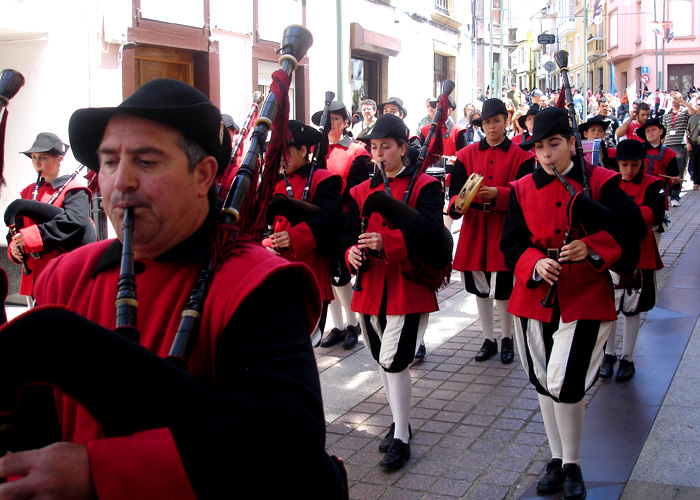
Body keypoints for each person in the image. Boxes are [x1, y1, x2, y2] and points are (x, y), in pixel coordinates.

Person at [0, 79, 346, 499]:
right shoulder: (65, 275)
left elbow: (284, 437)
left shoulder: (258, 282)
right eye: (109, 162)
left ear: (203, 175)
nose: (120, 181)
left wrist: (100, 472)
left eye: (146, 162)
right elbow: (35, 423)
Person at [501, 107, 646, 500]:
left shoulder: (601, 180)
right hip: (534, 296)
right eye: (540, 148)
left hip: (584, 294)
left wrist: (593, 246)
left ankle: (573, 463)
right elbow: (512, 245)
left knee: (563, 380)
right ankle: (556, 457)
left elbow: (633, 229)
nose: (547, 155)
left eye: (554, 145)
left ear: (571, 143)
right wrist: (534, 262)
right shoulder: (520, 188)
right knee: (543, 380)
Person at [345, 113, 448, 471]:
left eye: (385, 147)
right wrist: (350, 253)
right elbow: (346, 237)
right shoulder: (360, 190)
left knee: (394, 360)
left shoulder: (426, 187)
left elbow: (433, 233)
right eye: (374, 147)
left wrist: (387, 240)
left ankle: (401, 437)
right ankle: (398, 421)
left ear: (403, 147)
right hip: (370, 287)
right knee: (383, 363)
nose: (378, 154)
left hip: (408, 286)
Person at [447, 98, 535, 364]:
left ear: (506, 122)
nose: (492, 126)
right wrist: (458, 205)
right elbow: (453, 196)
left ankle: (507, 337)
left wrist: (500, 194)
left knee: (504, 288)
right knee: (480, 288)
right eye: (487, 122)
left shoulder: (522, 156)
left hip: (504, 229)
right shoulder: (466, 155)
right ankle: (489, 338)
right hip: (475, 228)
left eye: (496, 120)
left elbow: (527, 196)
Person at [266, 120, 345, 347]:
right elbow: (261, 225)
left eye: (286, 152)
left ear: (303, 151)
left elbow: (332, 220)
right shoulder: (276, 182)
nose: (281, 158)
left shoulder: (324, 179)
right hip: (276, 270)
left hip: (311, 269)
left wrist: (294, 237)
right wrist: (266, 243)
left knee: (302, 347)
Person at [600, 140, 665, 382]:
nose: (629, 170)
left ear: (642, 164)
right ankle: (608, 354)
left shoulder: (653, 184)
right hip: (613, 251)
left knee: (632, 308)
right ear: (617, 164)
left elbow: (657, 213)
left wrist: (630, 217)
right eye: (624, 164)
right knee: (609, 307)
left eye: (635, 164)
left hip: (639, 251)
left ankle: (627, 357)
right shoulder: (609, 183)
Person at [7, 132, 94, 301]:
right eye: (33, 157)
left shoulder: (74, 190)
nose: (37, 163)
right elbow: (17, 230)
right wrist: (14, 247)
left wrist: (29, 237)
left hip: (62, 273)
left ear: (59, 160)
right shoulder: (27, 191)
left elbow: (74, 222)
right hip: (33, 274)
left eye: (43, 157)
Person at [314, 101, 372, 349]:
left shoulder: (357, 151)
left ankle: (352, 324)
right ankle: (337, 326)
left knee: (341, 273)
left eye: (336, 119)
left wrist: (331, 190)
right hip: (320, 217)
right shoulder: (317, 151)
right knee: (326, 274)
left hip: (344, 219)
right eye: (327, 119)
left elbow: (357, 188)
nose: (331, 124)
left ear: (346, 122)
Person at [636, 118, 680, 211]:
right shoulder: (639, 150)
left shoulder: (670, 154)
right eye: (647, 131)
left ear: (661, 131)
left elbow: (672, 177)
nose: (650, 132)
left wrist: (675, 182)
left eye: (653, 129)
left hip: (659, 194)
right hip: (640, 192)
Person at [662, 90, 697, 206]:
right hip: (668, 145)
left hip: (680, 145)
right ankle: (669, 194)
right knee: (668, 172)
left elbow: (693, 111)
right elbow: (664, 131)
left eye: (676, 99)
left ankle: (675, 197)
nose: (674, 101)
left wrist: (683, 102)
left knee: (679, 172)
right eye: (672, 99)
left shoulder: (685, 112)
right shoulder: (667, 114)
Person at [687, 111, 700, 189]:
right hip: (693, 143)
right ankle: (695, 181)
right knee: (694, 163)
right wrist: (688, 142)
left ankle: (697, 182)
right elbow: (686, 131)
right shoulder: (692, 117)